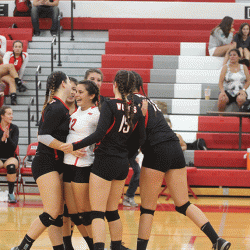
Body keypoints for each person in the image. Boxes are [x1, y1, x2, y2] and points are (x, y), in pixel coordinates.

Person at [128, 71, 231, 250]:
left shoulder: (130, 102)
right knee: (183, 204)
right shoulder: (149, 101)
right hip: (174, 148)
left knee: (147, 208)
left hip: (157, 149)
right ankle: (217, 240)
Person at [60, 70, 146, 250]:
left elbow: (99, 134)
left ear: (114, 84)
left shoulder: (109, 104)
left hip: (105, 161)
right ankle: (116, 247)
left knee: (98, 212)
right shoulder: (136, 108)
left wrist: (74, 146)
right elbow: (140, 140)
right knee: (112, 211)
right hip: (122, 164)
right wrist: (126, 155)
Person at [11, 71, 75, 250]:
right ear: (63, 84)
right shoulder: (57, 107)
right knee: (53, 211)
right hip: (46, 163)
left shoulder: (60, 106)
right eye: (69, 81)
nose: (71, 85)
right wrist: (64, 147)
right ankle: (23, 246)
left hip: (56, 163)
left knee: (58, 212)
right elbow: (43, 136)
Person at [63, 80, 101, 250]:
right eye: (75, 91)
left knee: (84, 212)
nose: (76, 95)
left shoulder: (97, 114)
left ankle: (98, 246)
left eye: (80, 92)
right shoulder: (76, 111)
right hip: (67, 163)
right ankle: (90, 245)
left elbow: (102, 137)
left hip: (82, 166)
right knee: (73, 214)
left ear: (92, 96)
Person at [0, 106, 19, 203]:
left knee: (11, 167)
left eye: (12, 114)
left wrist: (8, 138)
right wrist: (2, 140)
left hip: (11, 157)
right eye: (9, 114)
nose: (11, 116)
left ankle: (11, 193)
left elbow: (14, 147)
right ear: (2, 116)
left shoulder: (14, 128)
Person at [3, 40, 28, 105]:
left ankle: (13, 99)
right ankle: (19, 83)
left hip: (6, 76)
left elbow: (22, 69)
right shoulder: (8, 53)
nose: (17, 48)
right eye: (16, 46)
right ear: (13, 48)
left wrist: (19, 78)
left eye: (19, 47)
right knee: (10, 66)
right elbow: (6, 67)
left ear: (22, 48)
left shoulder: (25, 55)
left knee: (12, 80)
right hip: (2, 71)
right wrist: (18, 80)